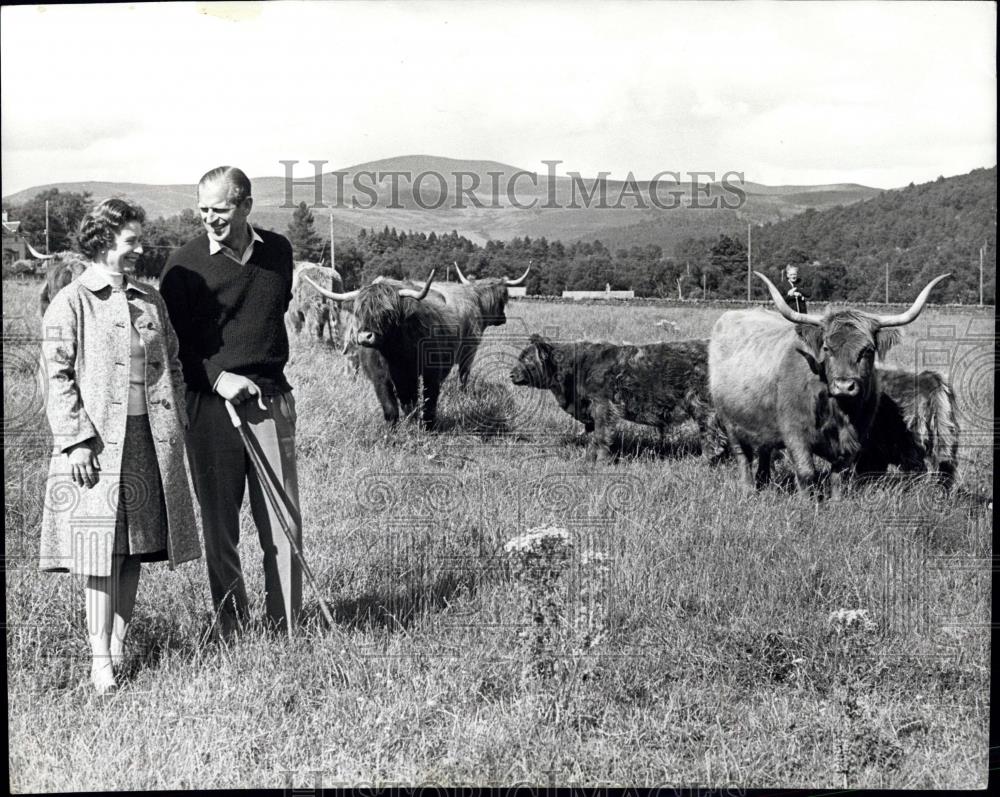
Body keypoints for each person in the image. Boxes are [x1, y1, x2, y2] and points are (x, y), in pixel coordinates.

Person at [39, 198, 202, 695]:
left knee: (134, 551)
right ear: (104, 241)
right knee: (99, 551)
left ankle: (119, 648)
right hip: (96, 448)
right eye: (131, 240)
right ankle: (99, 660)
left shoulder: (150, 300)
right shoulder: (71, 301)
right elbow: (55, 374)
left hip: (150, 444)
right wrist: (77, 442)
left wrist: (178, 428)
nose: (138, 249)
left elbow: (172, 364)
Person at [160, 166, 302, 639]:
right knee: (221, 528)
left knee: (283, 525)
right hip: (212, 410)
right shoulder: (182, 266)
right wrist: (219, 379)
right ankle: (232, 629)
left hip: (271, 402)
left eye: (219, 210)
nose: (209, 220)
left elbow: (270, 317)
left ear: (245, 206)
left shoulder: (279, 252)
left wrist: (258, 377)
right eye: (202, 210)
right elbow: (173, 348)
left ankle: (287, 628)